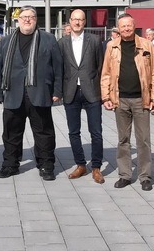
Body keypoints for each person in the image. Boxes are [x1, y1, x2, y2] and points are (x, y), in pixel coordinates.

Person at [0, 6, 63, 180]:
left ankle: (46, 165)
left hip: (39, 93)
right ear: (18, 20)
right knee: (11, 133)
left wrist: (57, 90)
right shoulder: (7, 41)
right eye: (24, 17)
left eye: (31, 16)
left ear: (36, 19)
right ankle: (10, 164)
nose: (27, 20)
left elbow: (58, 67)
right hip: (13, 93)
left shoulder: (49, 39)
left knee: (44, 132)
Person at [101, 13, 154, 192]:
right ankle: (125, 175)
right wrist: (105, 97)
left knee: (143, 140)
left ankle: (145, 176)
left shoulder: (146, 44)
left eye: (129, 25)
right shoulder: (112, 46)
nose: (126, 29)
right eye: (123, 26)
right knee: (123, 140)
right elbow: (106, 73)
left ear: (134, 26)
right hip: (120, 99)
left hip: (141, 99)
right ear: (118, 28)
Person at [58, 9, 105, 184]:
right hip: (71, 91)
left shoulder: (94, 40)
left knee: (96, 132)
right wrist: (58, 92)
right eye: (74, 20)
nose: (77, 23)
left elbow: (100, 66)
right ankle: (80, 164)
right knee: (73, 132)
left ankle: (96, 167)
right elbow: (59, 69)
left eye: (81, 20)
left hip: (91, 91)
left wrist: (102, 91)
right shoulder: (62, 43)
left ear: (85, 22)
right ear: (69, 21)